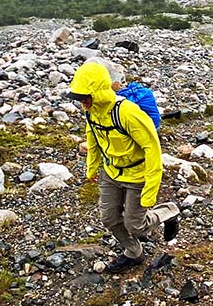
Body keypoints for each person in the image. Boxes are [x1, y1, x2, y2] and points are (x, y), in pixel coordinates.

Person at [68, 62, 180, 273]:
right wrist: (91, 168)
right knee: (109, 219)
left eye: (85, 97)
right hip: (110, 173)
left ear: (99, 92)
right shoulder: (91, 112)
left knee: (135, 225)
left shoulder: (127, 112)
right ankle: (134, 253)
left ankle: (169, 211)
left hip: (137, 175)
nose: (82, 103)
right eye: (79, 99)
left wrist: (151, 189)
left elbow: (152, 147)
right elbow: (92, 139)